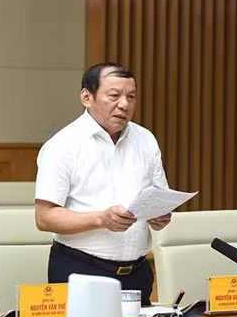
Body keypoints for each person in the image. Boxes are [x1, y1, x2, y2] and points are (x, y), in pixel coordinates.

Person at [35, 62, 171, 304]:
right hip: (81, 270)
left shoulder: (146, 139)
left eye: (131, 97)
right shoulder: (62, 145)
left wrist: (160, 215)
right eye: (114, 96)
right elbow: (44, 218)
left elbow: (159, 196)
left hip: (137, 273)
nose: (124, 104)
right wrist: (101, 219)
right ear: (86, 97)